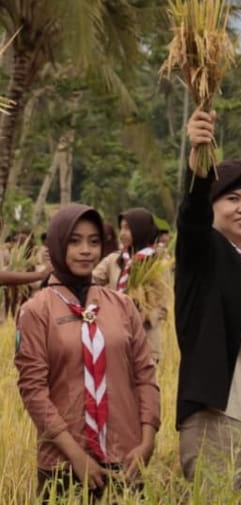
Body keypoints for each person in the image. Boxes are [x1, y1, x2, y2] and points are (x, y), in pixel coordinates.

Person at [15, 205, 159, 501]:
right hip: (63, 465)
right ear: (57, 244)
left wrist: (147, 441)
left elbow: (145, 375)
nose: (86, 251)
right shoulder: (36, 310)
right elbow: (33, 391)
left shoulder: (121, 305)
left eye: (94, 242)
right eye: (74, 241)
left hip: (125, 459)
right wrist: (76, 456)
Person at [174, 108, 241, 490]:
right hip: (215, 421)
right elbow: (191, 218)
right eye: (232, 199)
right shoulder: (203, 254)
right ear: (213, 207)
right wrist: (198, 165)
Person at [93, 207, 170, 364]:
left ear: (141, 230)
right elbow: (91, 280)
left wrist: (140, 315)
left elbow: (162, 306)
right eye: (121, 228)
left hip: (146, 342)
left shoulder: (157, 264)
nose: (122, 233)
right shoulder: (114, 260)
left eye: (127, 228)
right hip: (115, 337)